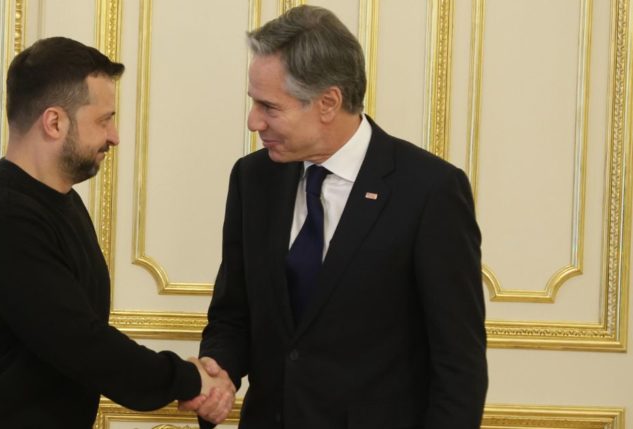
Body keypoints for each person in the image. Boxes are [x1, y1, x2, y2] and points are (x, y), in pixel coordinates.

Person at [187, 5, 488, 428]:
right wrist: (219, 372)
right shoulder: (253, 179)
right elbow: (233, 313)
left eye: (269, 107)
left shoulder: (430, 191)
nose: (254, 121)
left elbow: (459, 363)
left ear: (328, 102)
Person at [0, 37, 234, 428]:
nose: (115, 135)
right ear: (55, 122)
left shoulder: (60, 201)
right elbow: (81, 343)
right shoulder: (3, 215)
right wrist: (190, 380)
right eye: (104, 119)